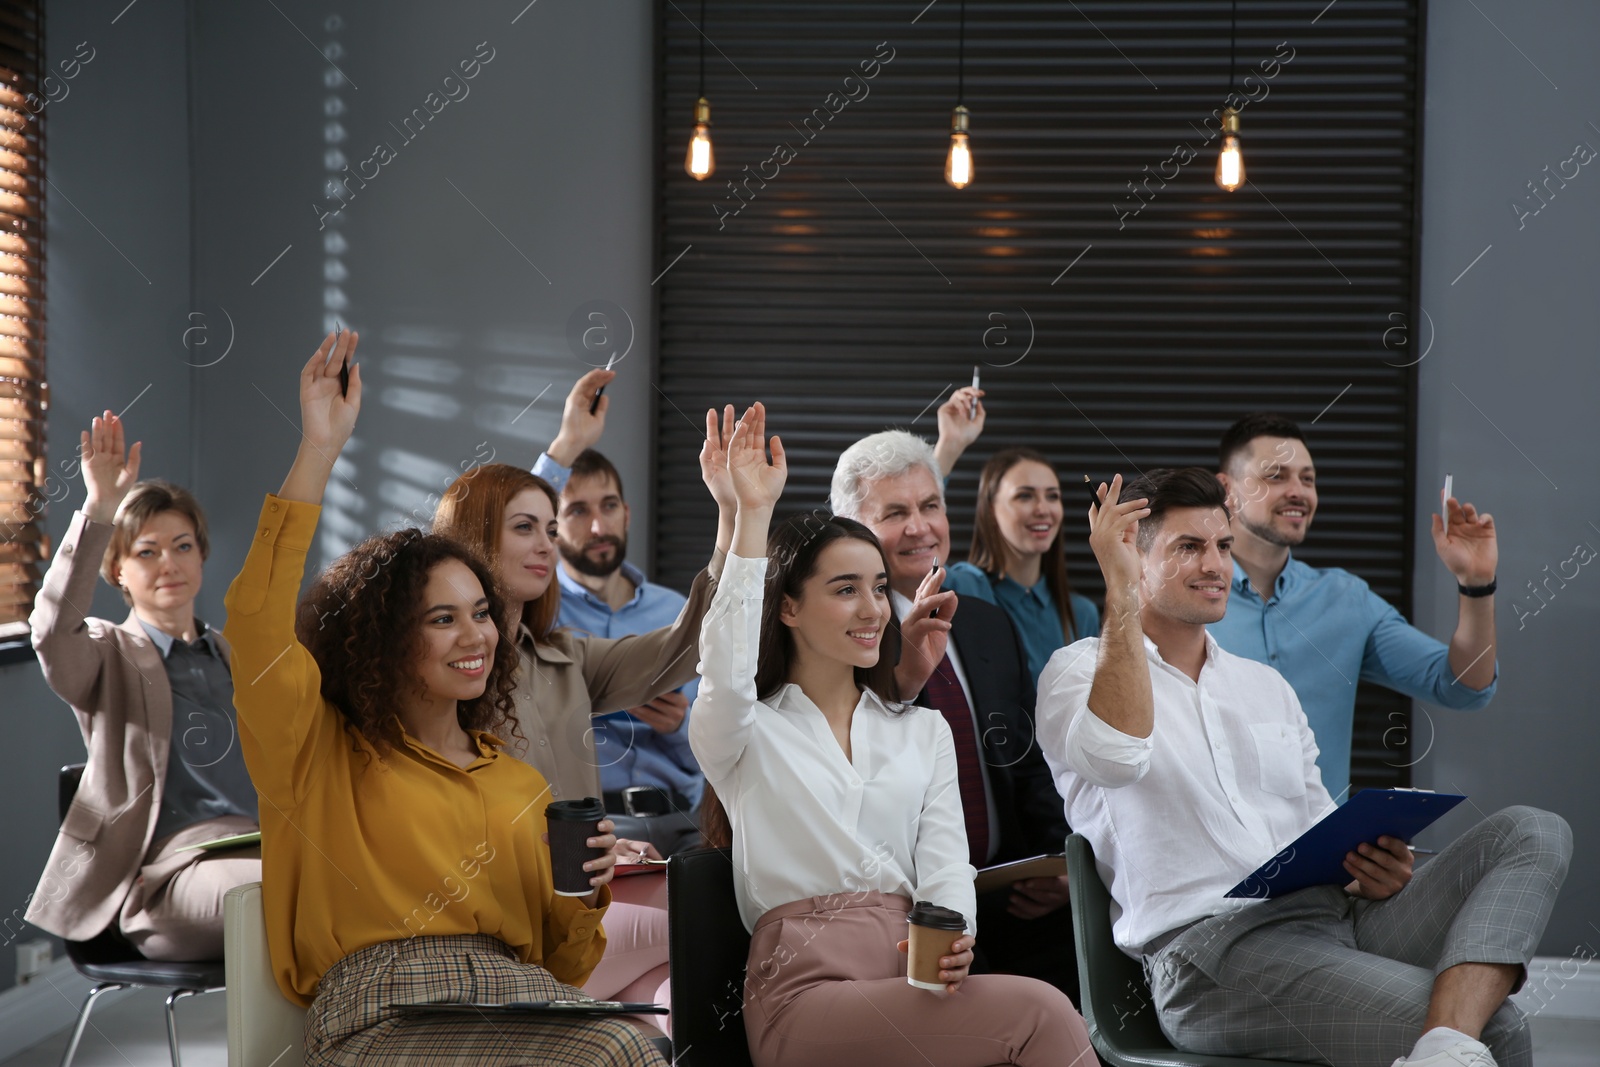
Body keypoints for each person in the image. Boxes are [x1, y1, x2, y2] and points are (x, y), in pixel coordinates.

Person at [226, 330, 665, 1066]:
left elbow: (565, 964)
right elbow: (256, 621)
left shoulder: (519, 785)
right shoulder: (318, 749)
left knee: (639, 1043)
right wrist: (319, 451)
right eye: (442, 617)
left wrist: (585, 894)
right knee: (616, 1052)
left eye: (482, 611)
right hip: (378, 1015)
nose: (477, 635)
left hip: (517, 997)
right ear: (386, 637)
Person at [1036, 467, 1569, 1067]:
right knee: (1496, 1029)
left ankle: (1442, 1045)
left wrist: (1369, 868)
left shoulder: (1265, 686)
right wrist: (1119, 591)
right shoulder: (1076, 673)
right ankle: (1449, 1042)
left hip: (1334, 919)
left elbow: (1317, 825)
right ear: (1132, 555)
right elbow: (1115, 756)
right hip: (1212, 959)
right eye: (1189, 547)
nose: (1215, 566)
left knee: (1532, 830)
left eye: (1222, 547)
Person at [690, 402, 1092, 1067]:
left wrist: (955, 927)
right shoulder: (744, 729)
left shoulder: (921, 729)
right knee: (1041, 1011)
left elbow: (944, 864)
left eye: (878, 587)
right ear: (787, 605)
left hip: (913, 969)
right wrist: (751, 515)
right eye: (845, 588)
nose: (874, 607)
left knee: (1030, 1011)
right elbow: (724, 662)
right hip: (804, 988)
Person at [432, 372, 734, 1014]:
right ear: (477, 539)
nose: (547, 544)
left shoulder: (562, 657)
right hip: (501, 926)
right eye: (527, 529)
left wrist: (735, 514)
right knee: (719, 909)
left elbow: (687, 642)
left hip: (583, 896)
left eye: (549, 528)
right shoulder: (444, 667)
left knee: (675, 1004)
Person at [830, 430, 1081, 1001]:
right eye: (896, 512)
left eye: (931, 506)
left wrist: (1060, 863)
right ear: (852, 531)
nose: (921, 527)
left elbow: (1029, 761)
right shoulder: (840, 636)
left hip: (1009, 895)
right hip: (901, 911)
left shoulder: (988, 623)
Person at [25, 411, 260, 962]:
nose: (168, 565)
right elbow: (53, 628)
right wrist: (100, 508)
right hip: (164, 877)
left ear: (202, 554)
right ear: (117, 570)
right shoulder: (106, 653)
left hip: (259, 846)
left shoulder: (235, 657)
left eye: (182, 546)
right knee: (287, 895)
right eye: (145, 552)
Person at [1208, 413, 1498, 799]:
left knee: (1532, 831)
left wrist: (1476, 584)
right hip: (1221, 850)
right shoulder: (1184, 600)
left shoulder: (1346, 600)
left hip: (1326, 850)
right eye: (1276, 476)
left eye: (1307, 479)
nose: (1298, 491)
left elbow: (1464, 688)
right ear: (1226, 489)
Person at [548, 445, 703, 852]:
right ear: (552, 525)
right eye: (578, 511)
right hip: (588, 829)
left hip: (683, 820)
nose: (599, 527)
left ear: (627, 513)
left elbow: (718, 751)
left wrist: (678, 729)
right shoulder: (536, 613)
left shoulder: (677, 611)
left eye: (609, 506)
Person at [946, 447, 1101, 682]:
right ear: (990, 509)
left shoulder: (1082, 614)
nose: (1043, 509)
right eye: (1025, 496)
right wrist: (949, 445)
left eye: (1052, 496)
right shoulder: (964, 588)